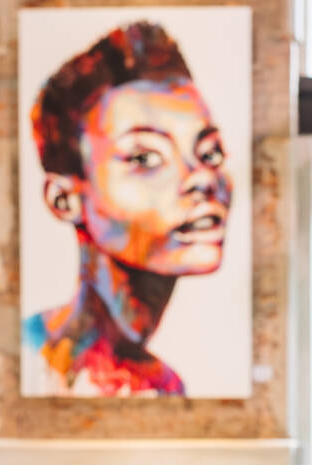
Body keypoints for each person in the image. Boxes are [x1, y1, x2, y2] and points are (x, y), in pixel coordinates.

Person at [24, 20, 231, 397]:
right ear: (65, 198)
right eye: (146, 157)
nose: (202, 177)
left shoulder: (165, 386)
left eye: (210, 152)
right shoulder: (29, 358)